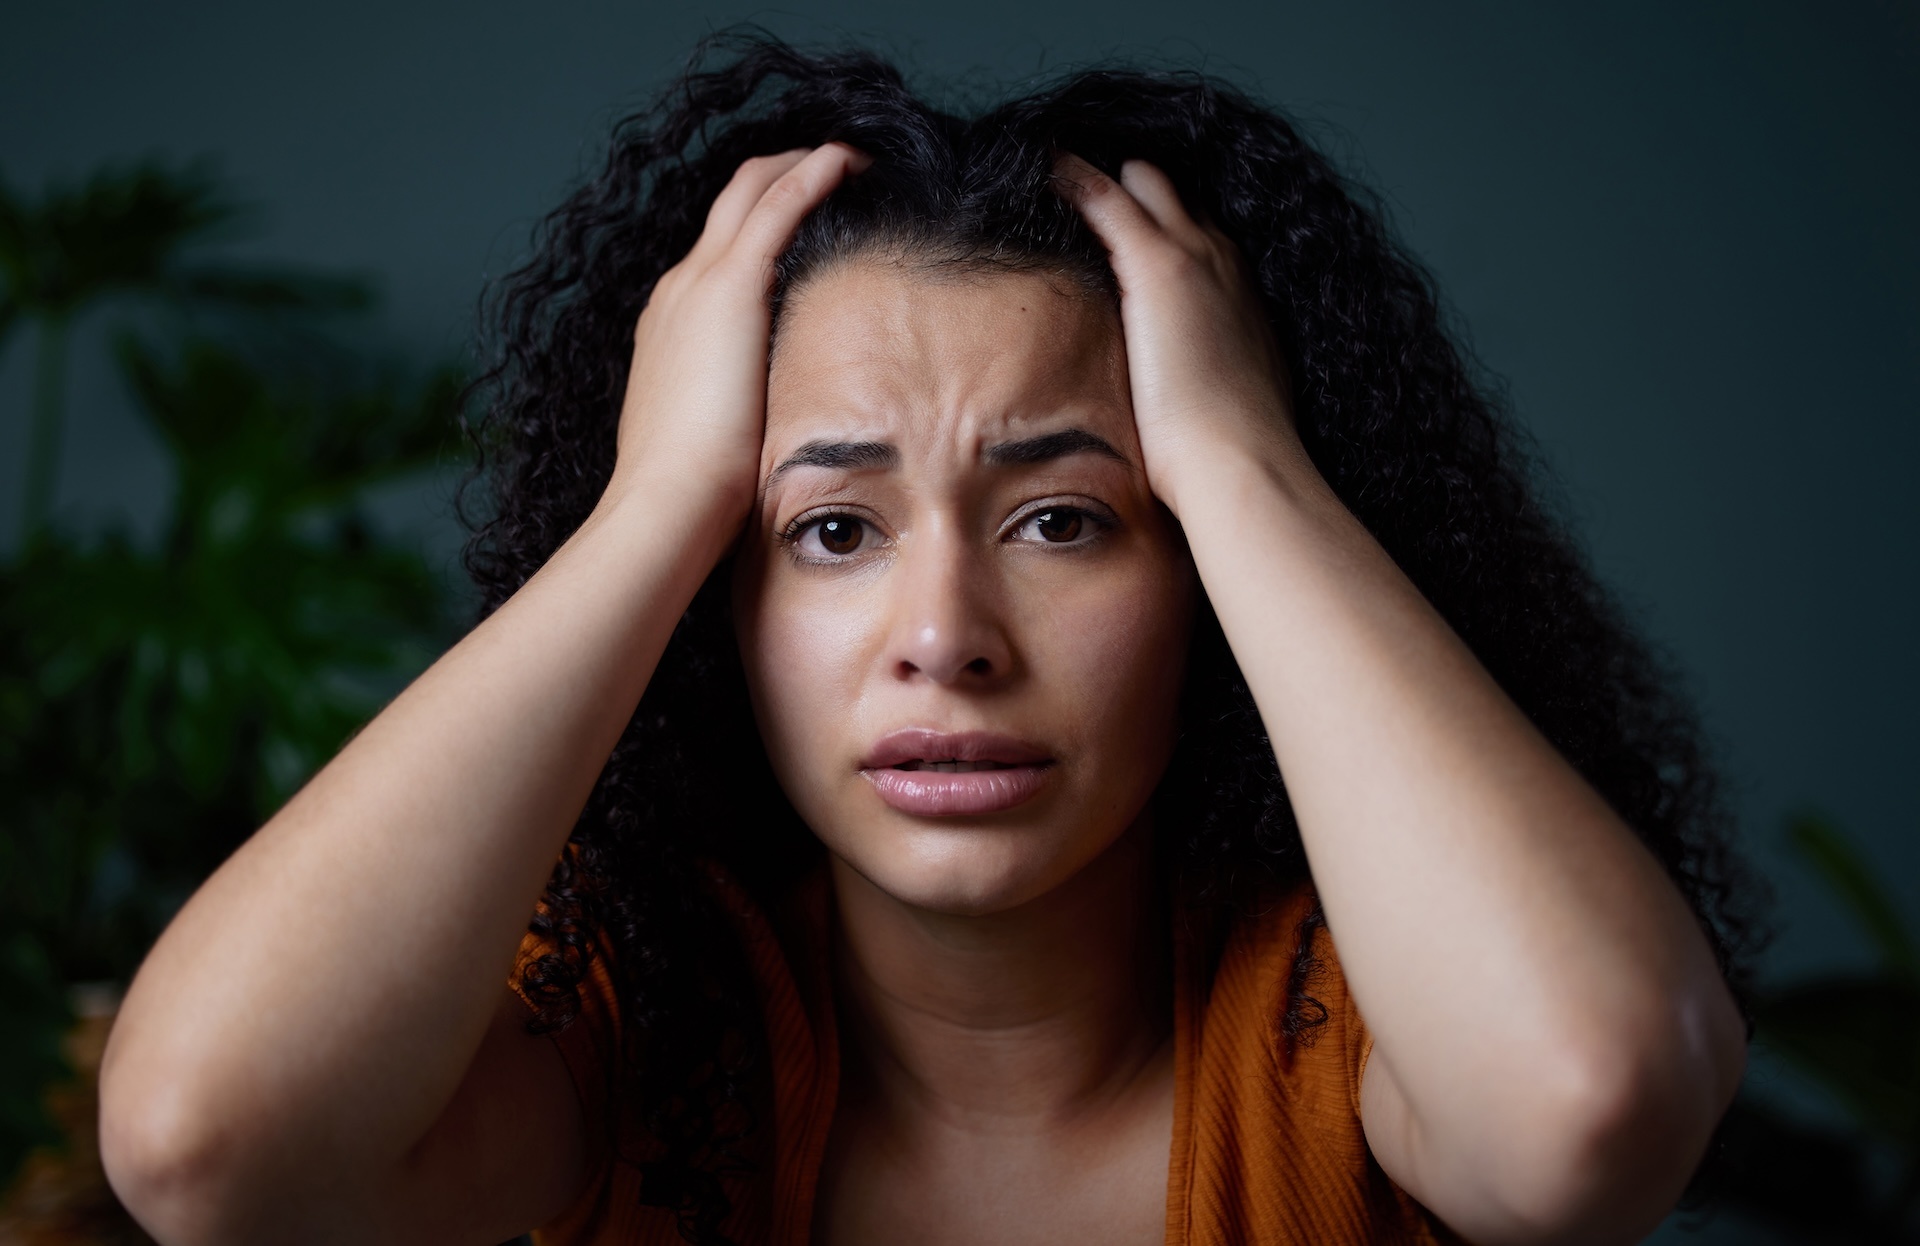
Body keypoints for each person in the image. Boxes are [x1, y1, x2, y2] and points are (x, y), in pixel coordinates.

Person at [97, 35, 1760, 1246]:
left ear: (1208, 579)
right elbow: (207, 1150)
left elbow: (1590, 1101)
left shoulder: (1344, 1040)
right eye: (831, 530)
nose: (946, 638)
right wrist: (657, 504)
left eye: (1066, 518)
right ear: (718, 607)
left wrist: (1245, 462)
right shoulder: (626, 1035)